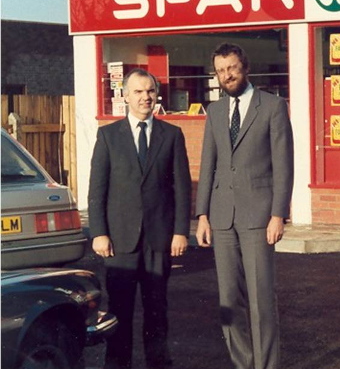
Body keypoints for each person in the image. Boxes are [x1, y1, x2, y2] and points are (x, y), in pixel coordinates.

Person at [196, 43, 294, 369]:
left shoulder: (272, 107)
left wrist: (278, 214)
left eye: (233, 68)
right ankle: (244, 363)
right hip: (222, 217)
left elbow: (283, 165)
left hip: (258, 216)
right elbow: (207, 164)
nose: (228, 75)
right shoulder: (214, 111)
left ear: (245, 67)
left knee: (260, 299)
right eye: (222, 70)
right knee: (228, 301)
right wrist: (203, 215)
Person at [88, 68, 192, 369]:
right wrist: (99, 232)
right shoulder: (108, 136)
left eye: (150, 91)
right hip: (119, 241)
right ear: (125, 96)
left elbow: (182, 188)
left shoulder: (171, 135)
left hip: (159, 239)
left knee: (157, 309)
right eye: (138, 91)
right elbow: (98, 188)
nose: (145, 97)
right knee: (119, 309)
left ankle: (158, 363)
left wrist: (180, 231)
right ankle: (118, 365)